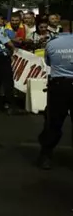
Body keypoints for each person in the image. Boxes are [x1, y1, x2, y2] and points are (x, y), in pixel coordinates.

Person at [36, 29, 73, 169]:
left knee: (53, 122)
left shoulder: (52, 44)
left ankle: (45, 155)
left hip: (59, 85)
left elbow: (49, 63)